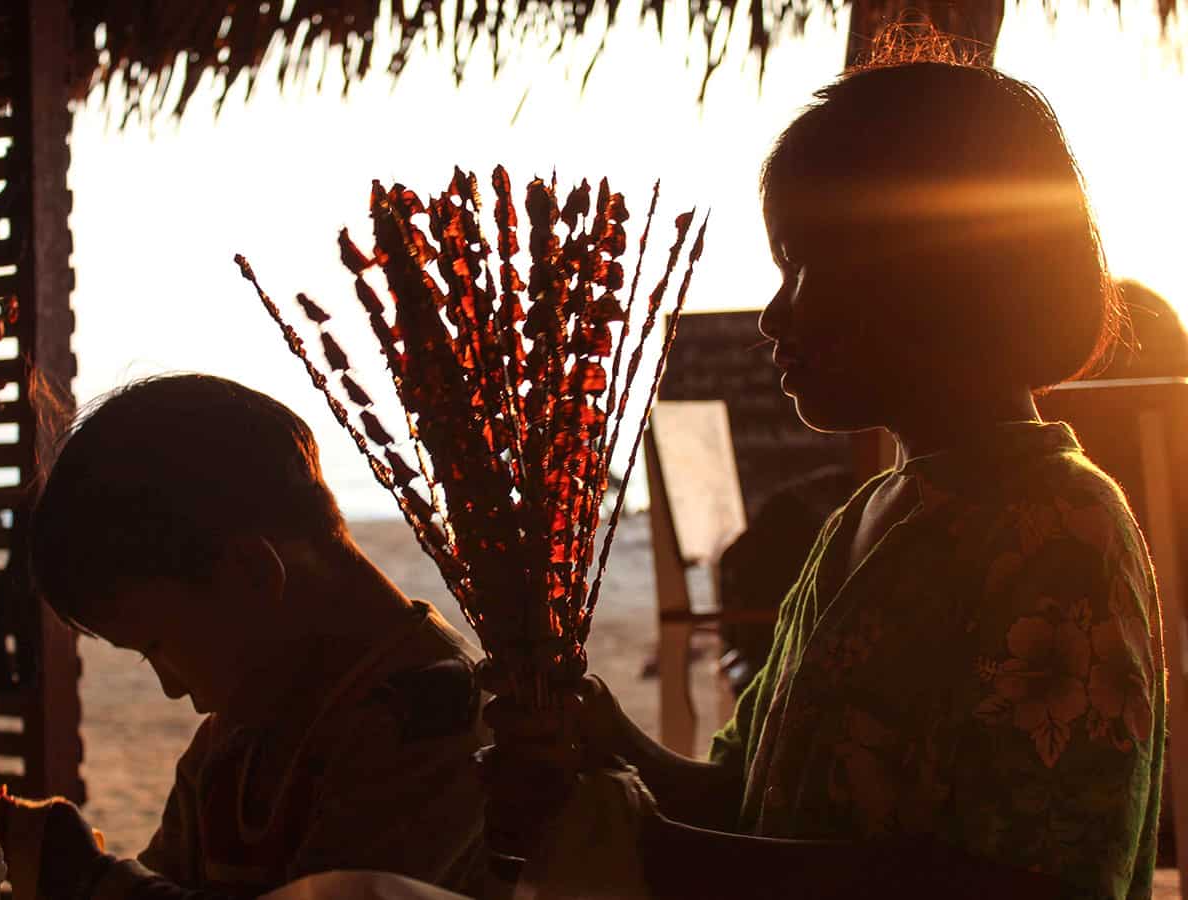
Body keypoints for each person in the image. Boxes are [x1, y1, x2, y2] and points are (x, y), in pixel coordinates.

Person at [487, 40, 1165, 900]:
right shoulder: (868, 515)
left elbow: (1022, 882)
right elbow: (753, 798)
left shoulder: (1063, 532)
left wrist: (654, 851)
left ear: (929, 275)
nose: (773, 316)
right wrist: (611, 740)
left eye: (801, 263)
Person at [0, 374, 486, 900]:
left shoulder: (433, 723)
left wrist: (84, 877)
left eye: (158, 647)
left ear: (251, 574)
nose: (171, 689)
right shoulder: (240, 731)